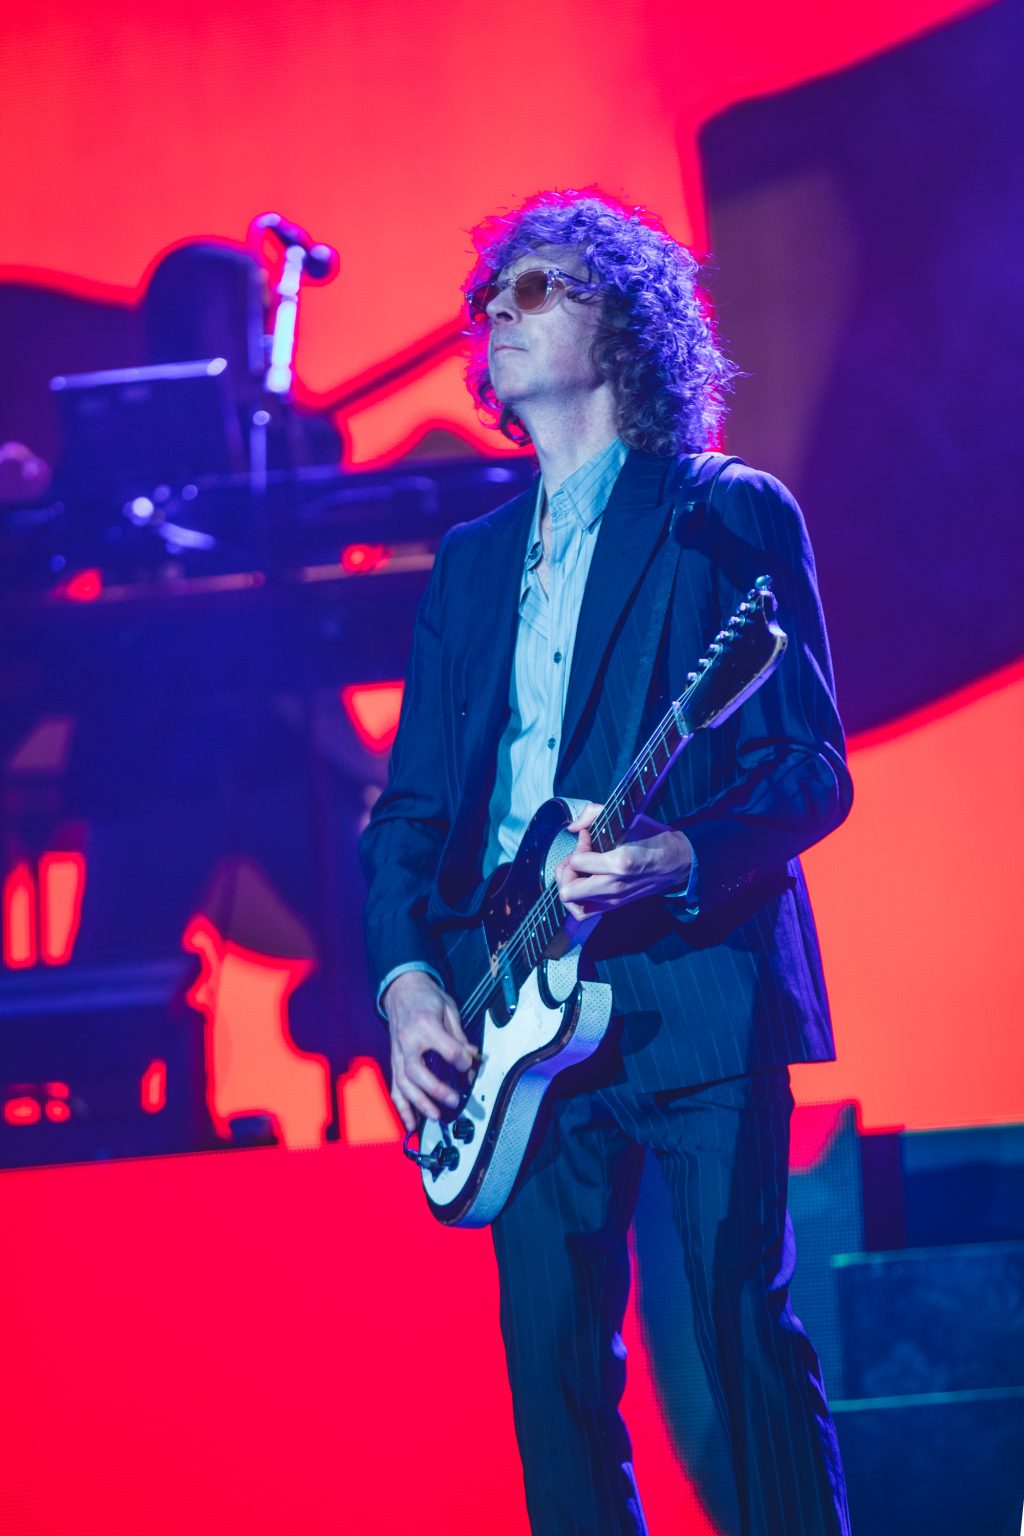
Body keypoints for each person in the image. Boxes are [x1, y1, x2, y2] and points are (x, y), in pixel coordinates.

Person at [360, 190, 853, 1536]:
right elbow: (408, 815)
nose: (501, 311)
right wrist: (410, 984)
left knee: (744, 1340)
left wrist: (677, 855)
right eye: (494, 294)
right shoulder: (465, 568)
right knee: (556, 1387)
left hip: (696, 984)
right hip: (509, 1006)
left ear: (625, 323)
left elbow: (812, 768)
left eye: (542, 287)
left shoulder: (723, 513)